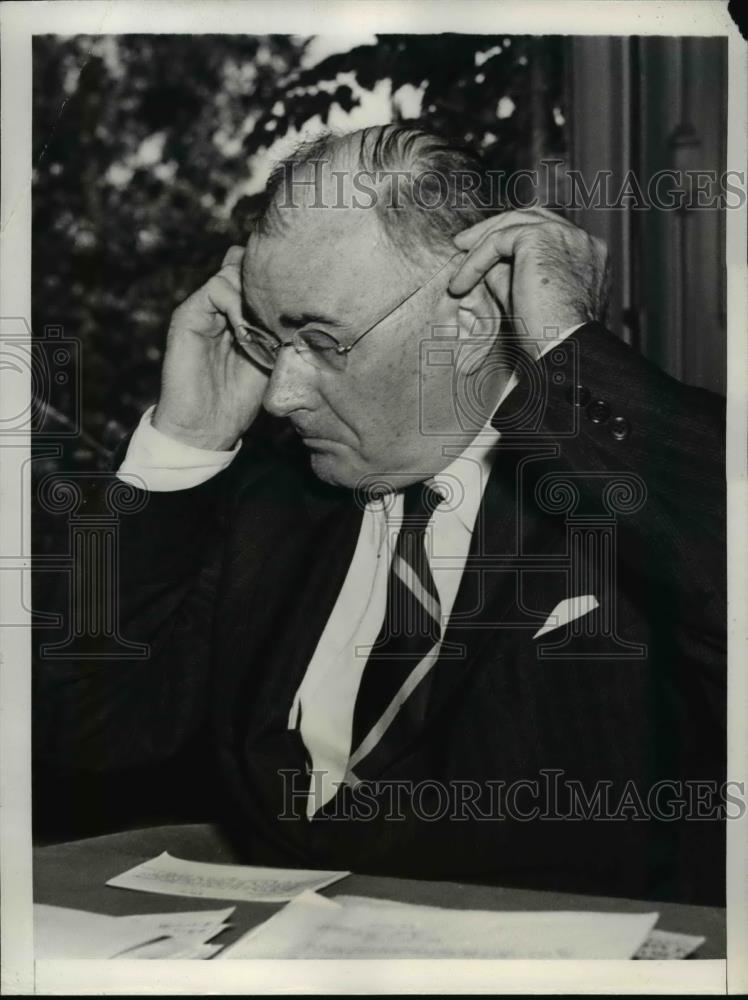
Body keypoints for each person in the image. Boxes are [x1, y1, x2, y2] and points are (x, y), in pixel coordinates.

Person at [33, 125, 726, 905]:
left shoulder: (635, 494)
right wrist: (183, 447)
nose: (280, 394)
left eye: (323, 342)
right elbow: (83, 731)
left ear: (468, 319)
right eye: (271, 340)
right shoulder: (276, 501)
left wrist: (566, 349)